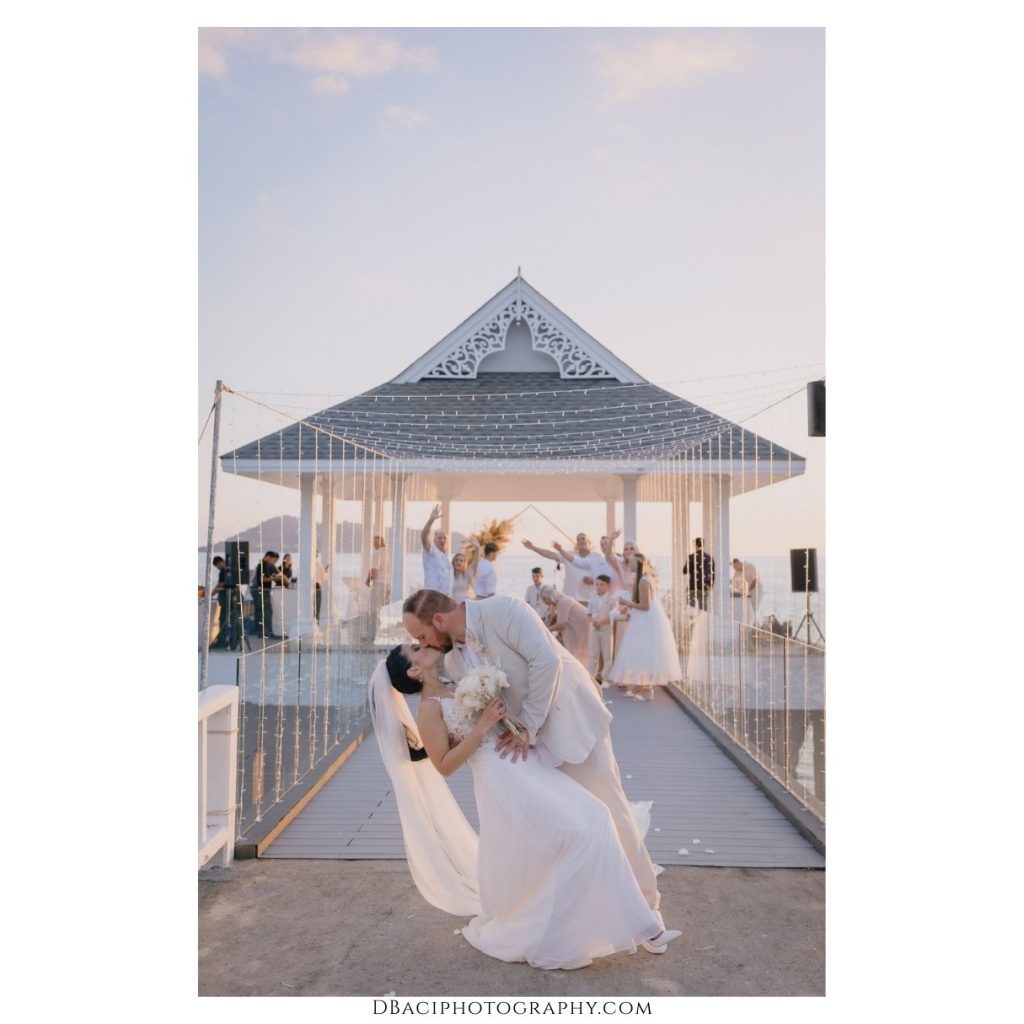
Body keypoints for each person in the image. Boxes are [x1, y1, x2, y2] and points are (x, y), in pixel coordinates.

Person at [374, 644, 678, 970]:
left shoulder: (455, 683)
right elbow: (444, 766)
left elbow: (500, 724)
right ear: (414, 671)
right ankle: (631, 928)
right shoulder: (428, 709)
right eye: (416, 649)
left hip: (524, 761)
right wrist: (481, 726)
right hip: (500, 778)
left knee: (595, 817)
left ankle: (635, 924)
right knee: (582, 830)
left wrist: (522, 731)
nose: (426, 645)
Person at [401, 590, 672, 933]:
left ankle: (648, 909)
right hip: (527, 751)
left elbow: (547, 661)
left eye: (421, 636)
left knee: (610, 810)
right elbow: (483, 705)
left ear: (438, 620)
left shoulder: (505, 609)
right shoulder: (454, 663)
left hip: (569, 722)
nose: (422, 643)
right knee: (572, 828)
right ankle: (594, 911)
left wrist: (527, 725)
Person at [606, 554, 683, 701]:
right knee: (642, 651)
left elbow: (645, 606)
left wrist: (626, 603)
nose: (629, 563)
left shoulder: (643, 581)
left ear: (639, 564)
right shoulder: (643, 579)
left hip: (646, 619)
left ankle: (645, 689)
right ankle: (641, 687)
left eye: (632, 561)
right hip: (644, 618)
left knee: (642, 650)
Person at [523, 533, 610, 607]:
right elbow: (551, 555)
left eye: (583, 538)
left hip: (589, 599)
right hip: (570, 598)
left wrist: (593, 580)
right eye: (578, 539)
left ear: (589, 542)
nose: (580, 541)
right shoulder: (569, 555)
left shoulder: (597, 557)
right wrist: (533, 547)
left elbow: (606, 576)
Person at [541, 584, 591, 665]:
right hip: (578, 625)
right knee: (558, 641)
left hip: (583, 625)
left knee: (577, 649)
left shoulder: (563, 602)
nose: (544, 602)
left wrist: (547, 629)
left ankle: (571, 665)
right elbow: (552, 620)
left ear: (551, 596)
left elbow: (562, 624)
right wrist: (551, 615)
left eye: (545, 599)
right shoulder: (557, 603)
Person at [586, 574, 617, 687]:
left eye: (601, 584)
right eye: (597, 584)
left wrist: (602, 622)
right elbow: (588, 614)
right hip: (594, 629)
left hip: (606, 629)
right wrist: (593, 622)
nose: (598, 587)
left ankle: (606, 678)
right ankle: (591, 677)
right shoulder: (592, 598)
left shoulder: (611, 599)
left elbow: (613, 614)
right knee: (593, 653)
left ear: (607, 585)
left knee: (607, 654)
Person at [420, 504, 453, 597]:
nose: (442, 540)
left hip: (446, 600)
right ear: (434, 540)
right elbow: (423, 536)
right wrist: (431, 521)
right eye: (439, 538)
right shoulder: (431, 551)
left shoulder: (446, 558)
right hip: (433, 598)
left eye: (444, 538)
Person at [251, 551, 283, 639]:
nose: (272, 562)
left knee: (260, 611)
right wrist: (274, 578)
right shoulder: (263, 565)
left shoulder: (261, 564)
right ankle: (267, 632)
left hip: (257, 590)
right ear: (268, 557)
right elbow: (262, 579)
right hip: (262, 590)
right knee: (267, 610)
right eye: (273, 559)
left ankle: (260, 632)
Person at [364, 536, 389, 641]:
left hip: (379, 584)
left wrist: (368, 579)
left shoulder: (378, 553)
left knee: (373, 610)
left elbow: (375, 571)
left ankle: (372, 636)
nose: (374, 545)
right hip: (387, 585)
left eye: (375, 542)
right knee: (380, 610)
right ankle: (379, 634)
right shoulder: (388, 553)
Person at [683, 537, 715, 611]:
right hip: (704, 587)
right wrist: (710, 586)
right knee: (703, 609)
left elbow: (684, 571)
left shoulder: (691, 557)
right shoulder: (709, 558)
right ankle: (703, 622)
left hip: (692, 587)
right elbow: (712, 574)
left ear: (695, 545)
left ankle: (692, 622)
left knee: (691, 609)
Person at [730, 557, 759, 629]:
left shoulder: (750, 567)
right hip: (747, 592)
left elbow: (755, 582)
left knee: (753, 609)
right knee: (747, 609)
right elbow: (733, 581)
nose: (734, 569)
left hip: (755, 591)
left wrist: (747, 590)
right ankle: (749, 627)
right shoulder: (738, 571)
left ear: (738, 563)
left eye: (735, 567)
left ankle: (754, 628)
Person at [314, 551, 330, 624]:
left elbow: (324, 578)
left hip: (315, 587)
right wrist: (326, 571)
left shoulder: (318, 565)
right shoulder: (318, 565)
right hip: (316, 588)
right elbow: (324, 578)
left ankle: (315, 625)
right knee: (316, 609)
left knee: (314, 609)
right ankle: (315, 626)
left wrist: (325, 571)